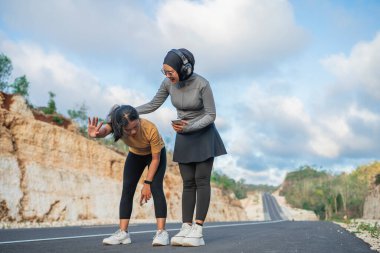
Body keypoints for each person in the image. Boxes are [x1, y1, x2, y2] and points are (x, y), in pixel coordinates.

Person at [136, 48, 227, 247]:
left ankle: (198, 230)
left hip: (203, 133)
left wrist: (190, 127)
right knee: (187, 183)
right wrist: (129, 111)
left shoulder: (202, 84)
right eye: (165, 72)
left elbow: (211, 115)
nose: (168, 76)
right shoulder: (168, 84)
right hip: (183, 135)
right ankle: (186, 226)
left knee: (201, 181)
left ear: (184, 69)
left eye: (170, 72)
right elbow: (153, 104)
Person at [87, 105, 169, 246]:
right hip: (136, 154)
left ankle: (162, 233)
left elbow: (156, 159)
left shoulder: (150, 129)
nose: (133, 132)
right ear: (120, 127)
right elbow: (104, 131)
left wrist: (147, 183)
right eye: (128, 129)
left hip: (155, 155)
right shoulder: (115, 124)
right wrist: (97, 134)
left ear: (138, 119)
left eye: (135, 126)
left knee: (156, 188)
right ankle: (123, 233)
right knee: (127, 190)